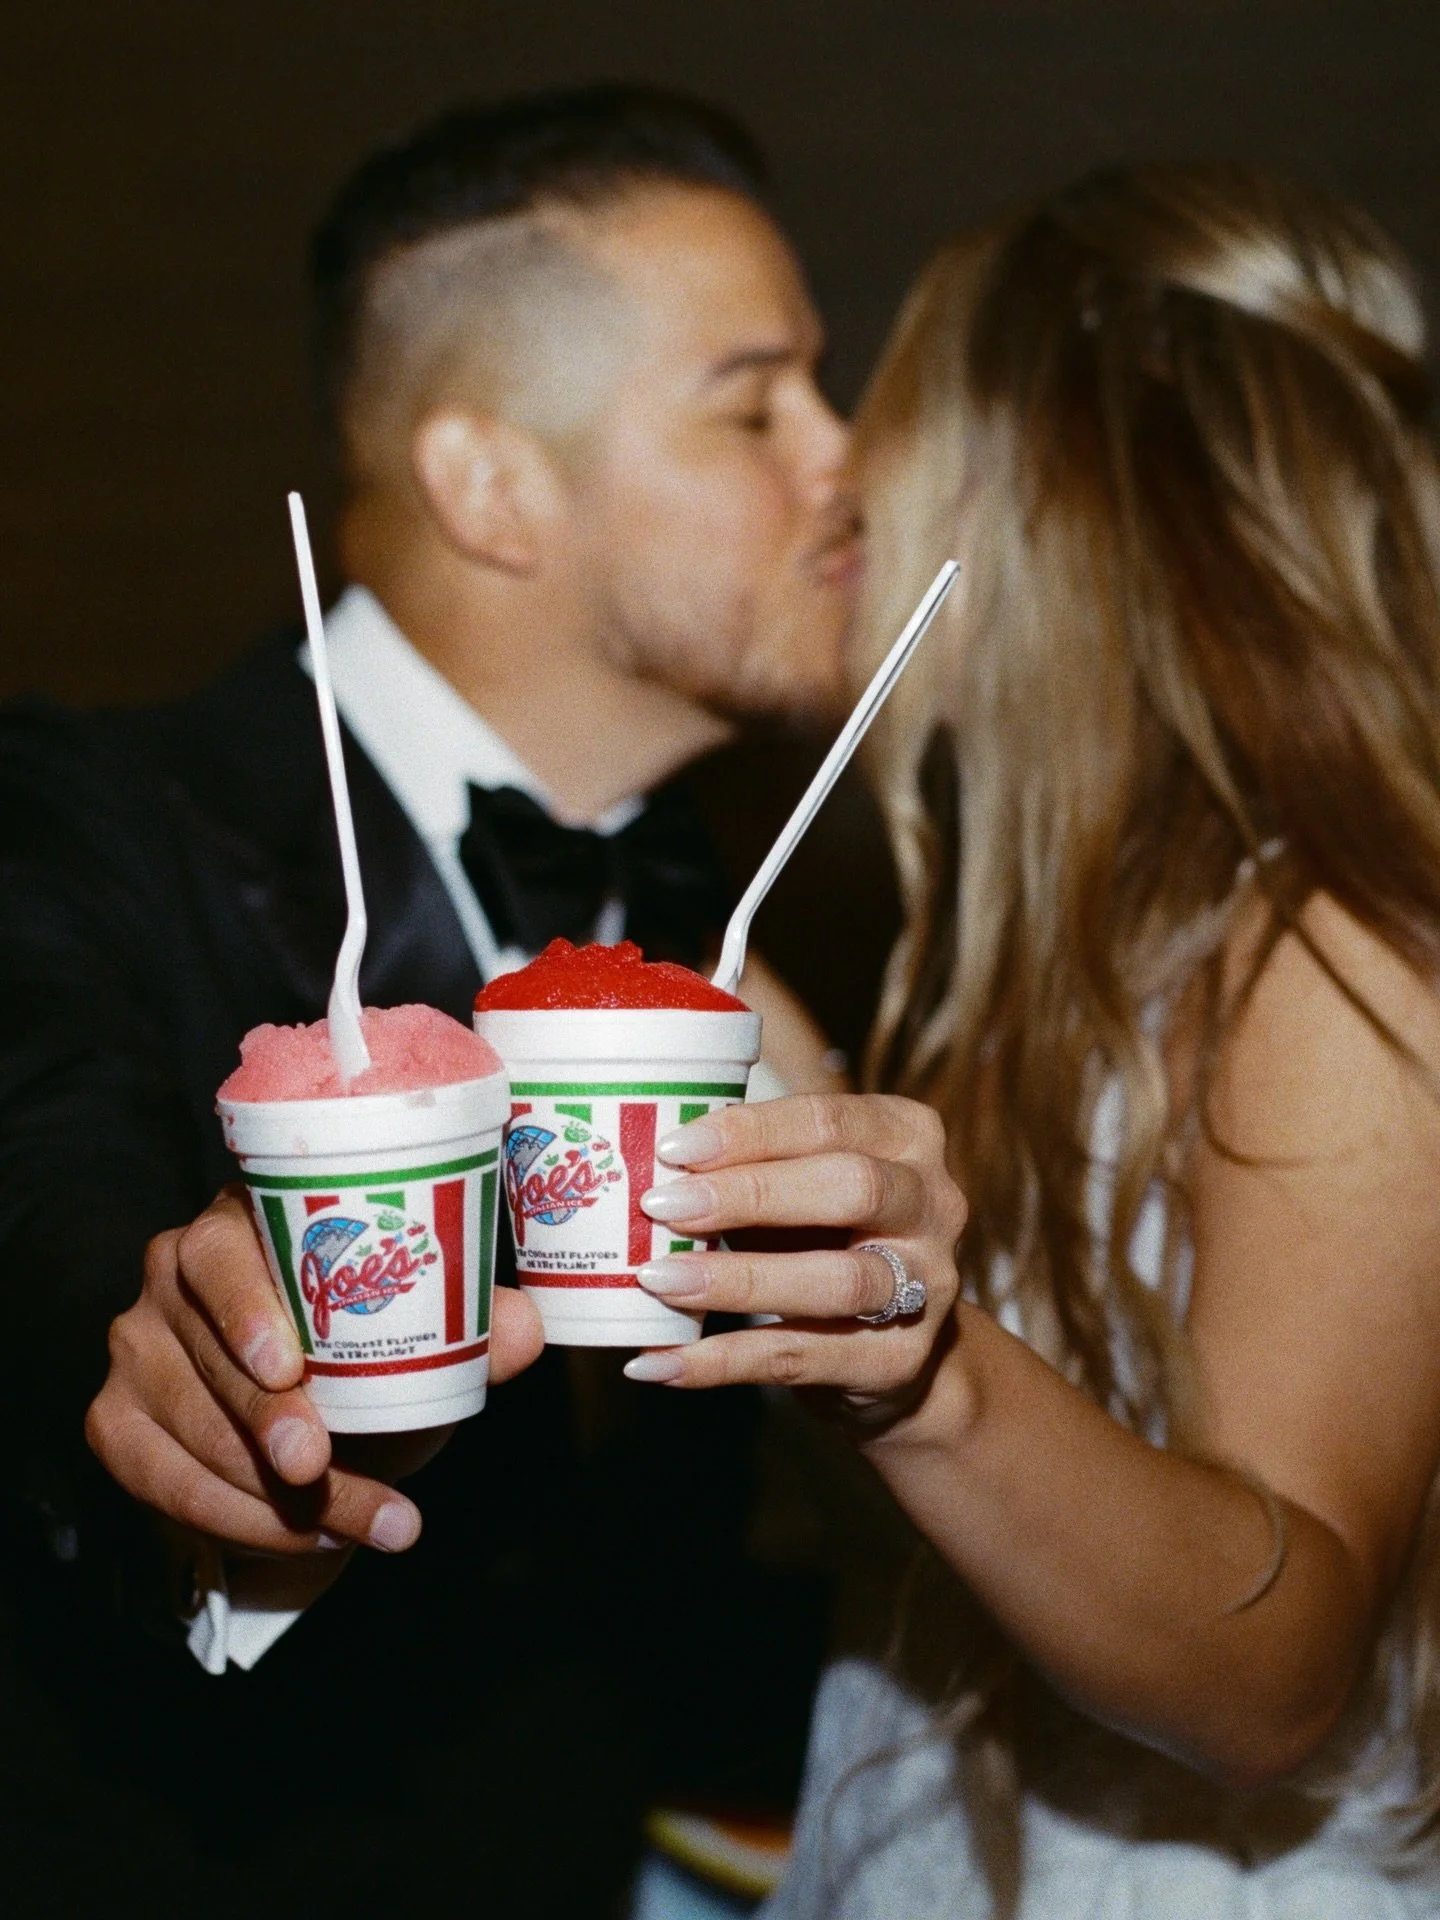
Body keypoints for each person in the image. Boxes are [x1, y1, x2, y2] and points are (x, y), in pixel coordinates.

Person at [0, 85, 857, 1917]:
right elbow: (47, 1204)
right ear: (488, 484)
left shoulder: (720, 919)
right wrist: (175, 1378)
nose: (842, 457)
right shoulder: (80, 816)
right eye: (757, 399)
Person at [616, 164, 1440, 1915]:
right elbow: (1006, 1552)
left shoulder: (1340, 945)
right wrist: (811, 1157)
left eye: (882, 431)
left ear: (1041, 500)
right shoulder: (1059, 958)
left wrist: (926, 1357)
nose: (836, 482)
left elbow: (1276, 1669)